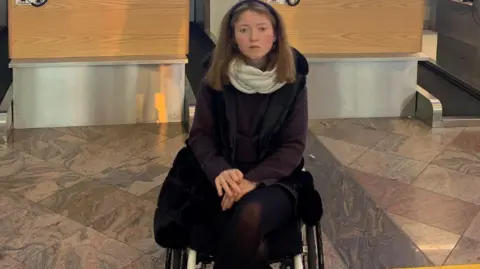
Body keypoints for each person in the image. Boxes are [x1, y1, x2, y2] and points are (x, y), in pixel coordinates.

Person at [187, 0, 309, 268]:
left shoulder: (292, 80)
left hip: (275, 181)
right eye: (243, 30)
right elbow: (200, 135)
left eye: (262, 28)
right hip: (221, 180)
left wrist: (253, 181)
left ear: (276, 34)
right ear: (232, 36)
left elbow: (293, 145)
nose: (253, 37)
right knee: (252, 246)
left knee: (250, 214)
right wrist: (220, 169)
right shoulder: (215, 76)